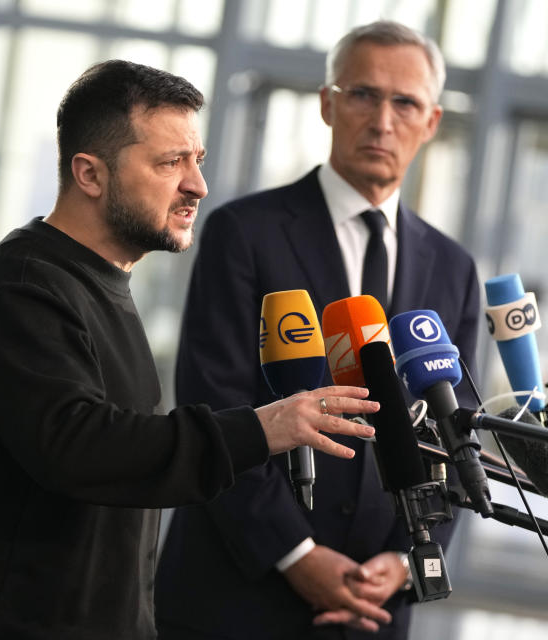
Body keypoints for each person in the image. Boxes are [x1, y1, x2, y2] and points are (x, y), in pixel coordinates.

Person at [0, 60, 380, 640]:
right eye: (170, 162)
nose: (197, 185)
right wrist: (260, 429)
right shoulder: (23, 288)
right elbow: (80, 447)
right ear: (90, 175)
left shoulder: (99, 280)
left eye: (196, 161)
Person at [155, 20, 481, 640]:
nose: (383, 120)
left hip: (375, 608)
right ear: (328, 104)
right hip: (237, 596)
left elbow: (453, 427)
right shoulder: (243, 233)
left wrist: (408, 557)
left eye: (405, 102)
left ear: (431, 122)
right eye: (363, 94)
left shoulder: (454, 268)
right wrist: (297, 555)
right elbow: (213, 406)